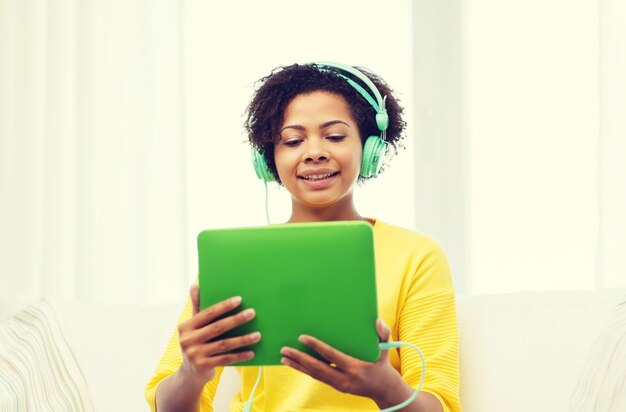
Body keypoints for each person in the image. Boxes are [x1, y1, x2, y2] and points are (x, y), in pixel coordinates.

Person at [145, 63, 461, 411]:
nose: (314, 152)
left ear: (369, 147)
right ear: (269, 159)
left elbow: (438, 404)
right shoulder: (240, 259)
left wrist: (385, 388)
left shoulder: (416, 255)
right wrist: (192, 373)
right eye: (293, 140)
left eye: (335, 136)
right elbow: (166, 405)